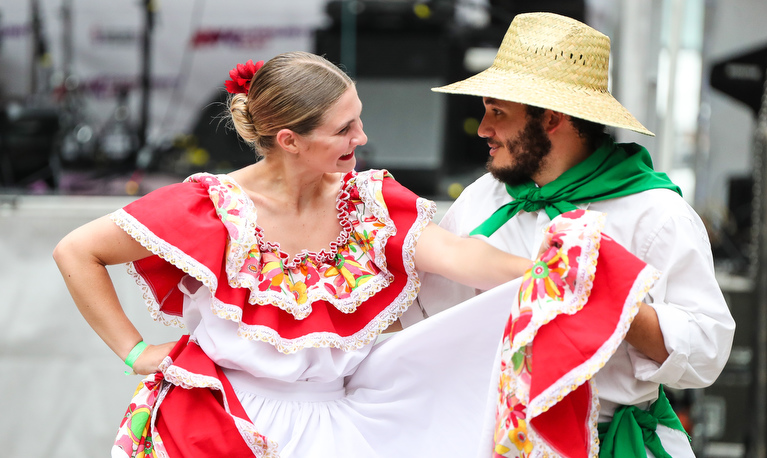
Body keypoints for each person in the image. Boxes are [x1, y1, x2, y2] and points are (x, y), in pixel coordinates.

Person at [52, 51, 531, 458]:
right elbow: (77, 250)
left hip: (333, 423)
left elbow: (460, 255)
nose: (361, 137)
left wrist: (549, 269)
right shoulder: (216, 208)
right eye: (344, 128)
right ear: (290, 141)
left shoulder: (366, 203)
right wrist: (134, 351)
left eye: (358, 119)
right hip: (216, 423)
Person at [409, 12, 736, 457]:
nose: (484, 129)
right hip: (487, 439)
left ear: (551, 119)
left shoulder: (654, 213)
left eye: (498, 113)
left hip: (606, 444)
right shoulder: (483, 198)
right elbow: (431, 317)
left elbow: (706, 354)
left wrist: (608, 299)